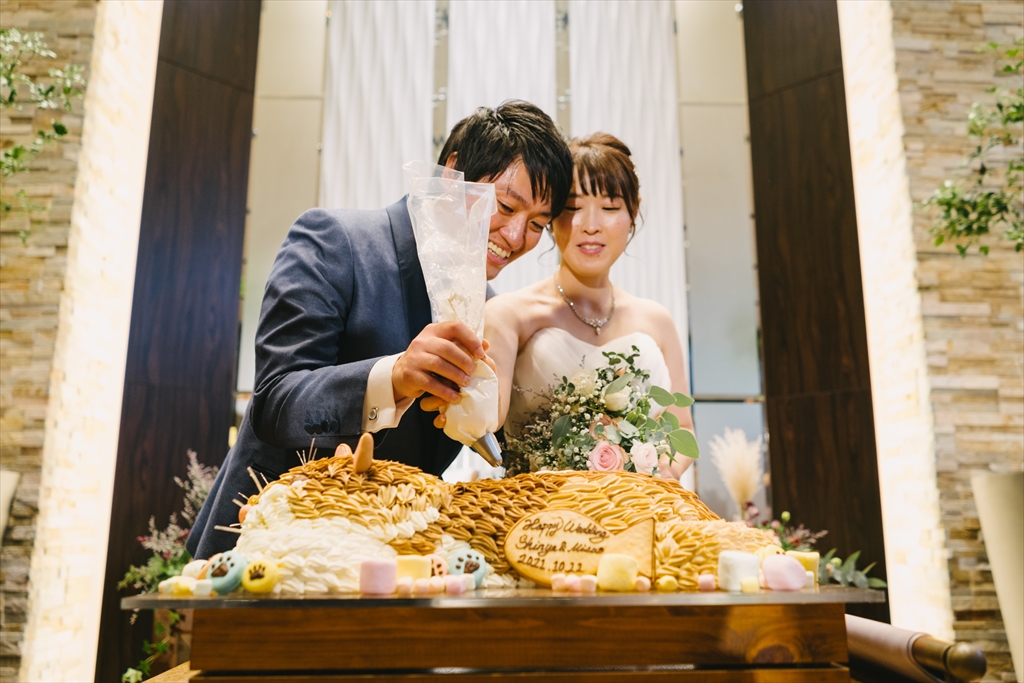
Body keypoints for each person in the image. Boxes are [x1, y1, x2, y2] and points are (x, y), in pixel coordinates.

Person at [187, 101, 573, 559]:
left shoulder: (489, 307)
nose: (516, 236)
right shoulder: (334, 239)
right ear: (451, 176)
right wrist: (394, 376)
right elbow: (274, 401)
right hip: (268, 547)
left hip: (392, 561)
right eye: (505, 206)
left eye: (537, 225)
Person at [476, 132, 695, 479]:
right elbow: (482, 424)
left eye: (609, 208)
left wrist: (656, 479)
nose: (591, 226)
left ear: (633, 212)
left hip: (640, 506)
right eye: (573, 208)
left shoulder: (657, 321)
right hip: (539, 508)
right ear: (550, 218)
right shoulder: (509, 315)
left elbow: (682, 428)